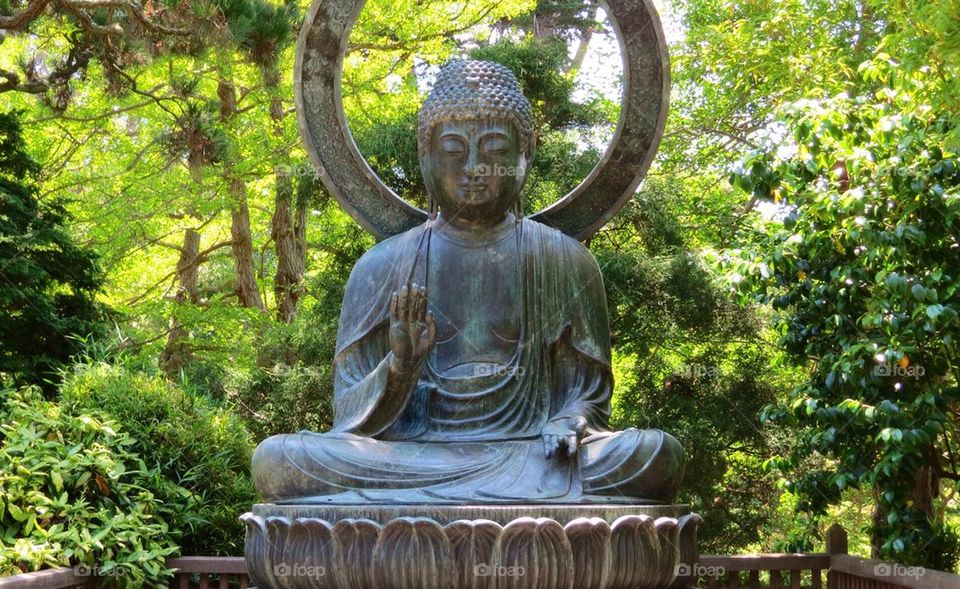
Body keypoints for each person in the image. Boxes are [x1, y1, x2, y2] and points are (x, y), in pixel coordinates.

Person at [252, 60, 684, 504]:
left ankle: (436, 508)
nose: (475, 167)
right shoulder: (382, 265)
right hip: (413, 457)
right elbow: (348, 413)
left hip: (530, 455)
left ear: (525, 154)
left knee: (651, 454)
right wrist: (400, 367)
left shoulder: (564, 261)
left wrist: (569, 421)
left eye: (494, 147)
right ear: (425, 155)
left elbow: (586, 398)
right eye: (454, 149)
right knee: (282, 460)